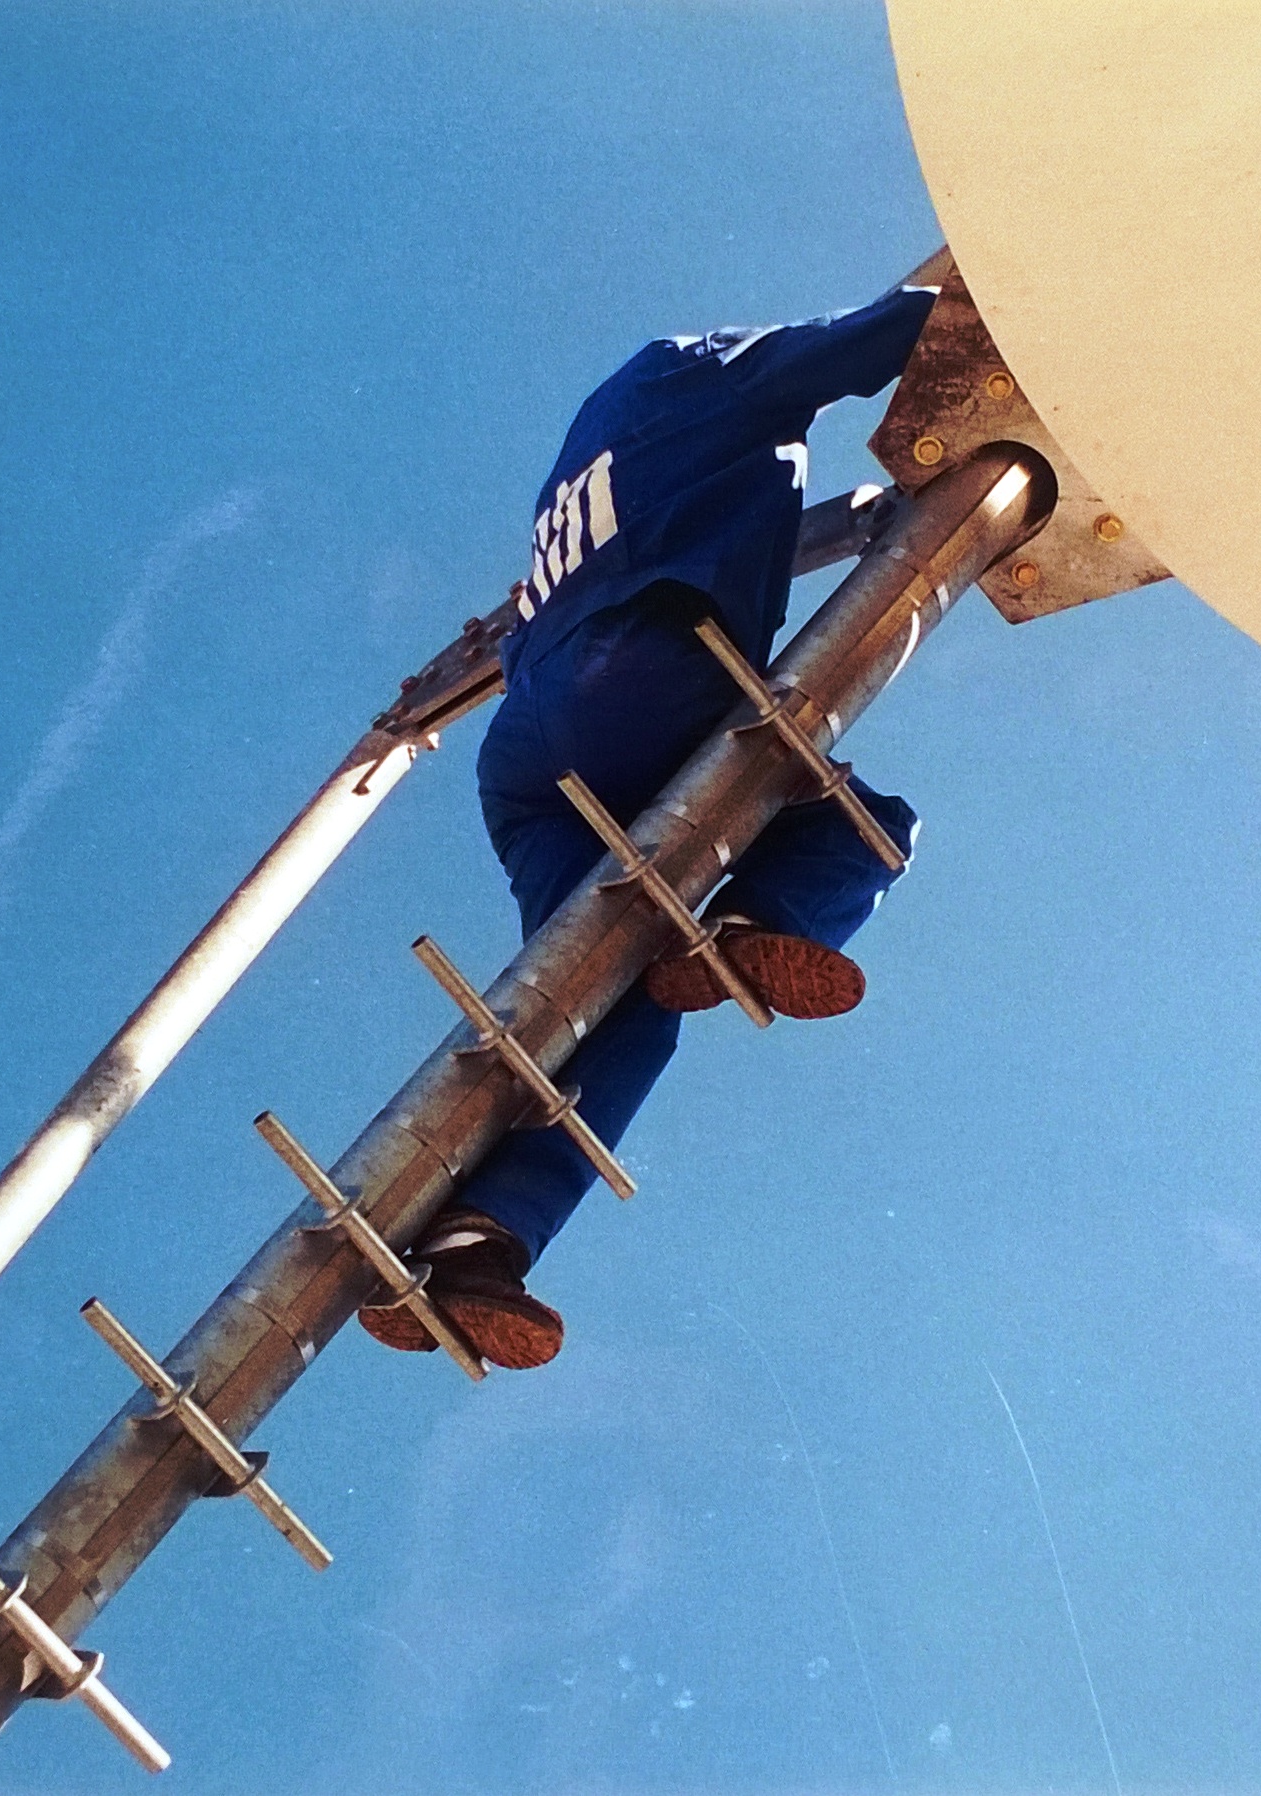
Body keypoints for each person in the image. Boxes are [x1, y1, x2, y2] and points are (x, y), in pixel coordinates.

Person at [358, 281, 939, 1369]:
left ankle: (477, 1240)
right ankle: (756, 922)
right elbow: (886, 335)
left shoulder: (587, 466)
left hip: (527, 762)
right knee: (865, 828)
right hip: (637, 676)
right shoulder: (703, 367)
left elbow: (722, 525)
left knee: (601, 994)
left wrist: (853, 518)